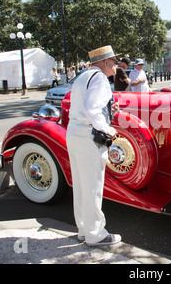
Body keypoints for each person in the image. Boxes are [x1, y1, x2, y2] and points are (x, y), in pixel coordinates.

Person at [66, 45, 121, 247]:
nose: (116, 65)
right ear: (105, 62)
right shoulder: (98, 78)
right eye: (114, 61)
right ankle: (95, 234)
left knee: (81, 185)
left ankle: (83, 229)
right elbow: (90, 107)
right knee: (93, 186)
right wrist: (107, 128)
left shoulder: (83, 76)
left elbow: (85, 105)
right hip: (88, 134)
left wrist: (107, 109)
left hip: (75, 132)